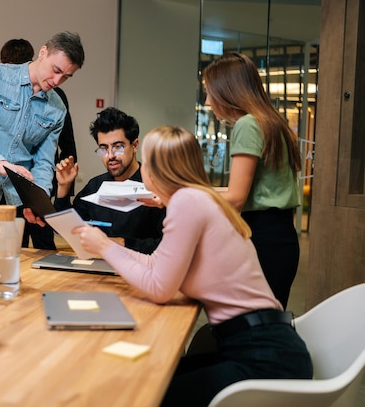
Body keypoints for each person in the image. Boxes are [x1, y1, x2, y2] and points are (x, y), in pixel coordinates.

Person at [72, 125, 312, 407]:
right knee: (155, 381)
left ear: (151, 170)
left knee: (144, 393)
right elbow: (156, 265)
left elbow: (159, 287)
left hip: (263, 359)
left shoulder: (187, 203)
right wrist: (111, 249)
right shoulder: (197, 199)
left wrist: (105, 246)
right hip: (266, 347)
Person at [0, 31, 84, 238]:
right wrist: (0, 163)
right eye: (56, 70)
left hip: (16, 201)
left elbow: (43, 163)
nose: (57, 80)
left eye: (66, 76)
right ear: (43, 52)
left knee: (12, 262)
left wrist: (36, 203)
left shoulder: (57, 109)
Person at [203, 52, 302, 308]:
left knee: (251, 327)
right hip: (280, 237)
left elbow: (236, 198)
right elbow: (246, 188)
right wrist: (194, 190)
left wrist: (184, 198)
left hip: (262, 238)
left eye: (210, 93)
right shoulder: (271, 122)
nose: (207, 102)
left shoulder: (247, 125)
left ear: (227, 92)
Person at [0, 38, 78, 250]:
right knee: (16, 238)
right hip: (7, 178)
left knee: (42, 234)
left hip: (40, 178)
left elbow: (66, 142)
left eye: (65, 75)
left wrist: (63, 185)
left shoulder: (56, 98)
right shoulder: (0, 83)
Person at [52, 107, 165, 253]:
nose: (110, 155)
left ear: (135, 145)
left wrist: (121, 243)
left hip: (144, 268)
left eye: (118, 147)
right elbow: (66, 229)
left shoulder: (156, 185)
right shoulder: (95, 186)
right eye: (103, 148)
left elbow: (168, 246)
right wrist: (64, 186)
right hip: (100, 266)